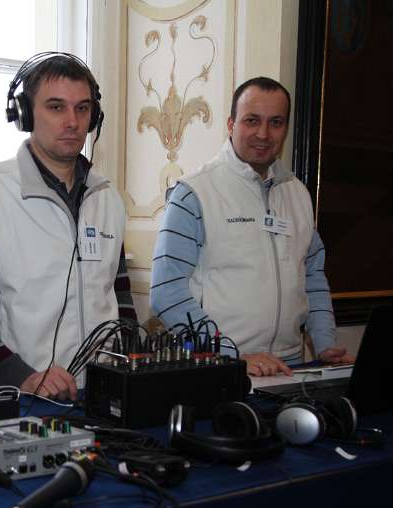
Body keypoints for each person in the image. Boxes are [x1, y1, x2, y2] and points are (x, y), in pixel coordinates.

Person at [0, 52, 135, 401]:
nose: (73, 121)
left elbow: (120, 298)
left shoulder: (108, 199)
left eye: (83, 108)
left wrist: (134, 365)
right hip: (17, 399)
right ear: (25, 114)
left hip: (103, 395)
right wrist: (24, 377)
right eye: (56, 107)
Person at [149, 77, 352, 377]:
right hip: (220, 368)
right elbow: (166, 292)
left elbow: (312, 275)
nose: (263, 133)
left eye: (276, 122)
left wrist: (324, 343)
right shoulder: (194, 193)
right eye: (252, 120)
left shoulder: (298, 193)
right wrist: (232, 354)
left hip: (291, 367)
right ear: (231, 124)